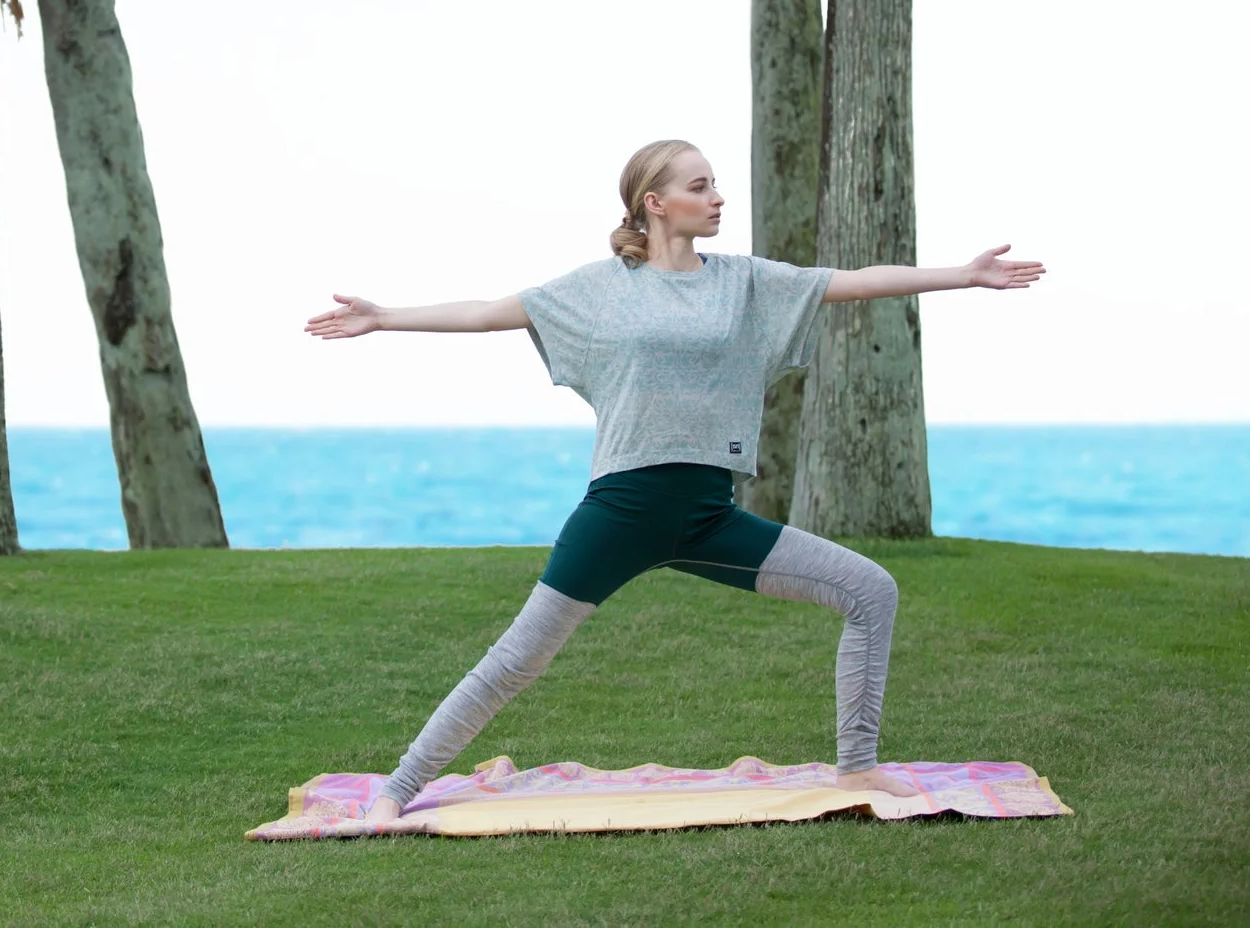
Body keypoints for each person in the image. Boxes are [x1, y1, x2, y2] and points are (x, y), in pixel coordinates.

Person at [303, 139, 1045, 823]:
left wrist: (965, 275)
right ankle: (398, 791)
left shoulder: (745, 282)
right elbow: (490, 312)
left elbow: (852, 282)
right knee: (516, 662)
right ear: (655, 203)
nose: (717, 196)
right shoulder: (600, 288)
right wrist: (386, 317)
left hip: (707, 515)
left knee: (870, 590)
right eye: (700, 186)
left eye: (715, 184)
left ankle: (857, 768)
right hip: (622, 510)